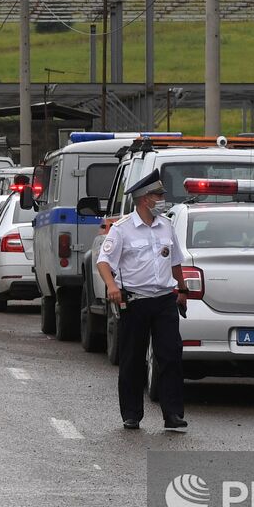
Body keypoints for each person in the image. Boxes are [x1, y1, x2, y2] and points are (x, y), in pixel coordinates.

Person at [96, 169, 190, 432]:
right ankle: (131, 414)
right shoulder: (122, 229)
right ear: (143, 199)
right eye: (158, 195)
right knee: (133, 359)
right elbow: (104, 262)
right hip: (136, 301)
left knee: (170, 357)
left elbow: (175, 261)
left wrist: (182, 290)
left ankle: (173, 414)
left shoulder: (166, 226)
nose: (162, 199)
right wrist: (112, 286)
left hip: (164, 301)